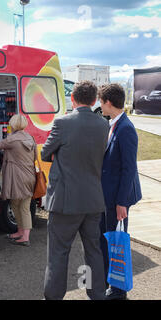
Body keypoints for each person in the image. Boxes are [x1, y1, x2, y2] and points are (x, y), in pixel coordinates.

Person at [41, 81, 109, 300]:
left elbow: (44, 153)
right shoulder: (103, 124)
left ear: (73, 99)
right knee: (93, 252)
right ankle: (96, 293)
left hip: (64, 201)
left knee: (58, 254)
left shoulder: (63, 122)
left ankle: (54, 297)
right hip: (93, 200)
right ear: (94, 101)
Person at [98, 83, 142, 300]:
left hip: (117, 199)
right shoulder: (113, 124)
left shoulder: (125, 128)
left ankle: (118, 291)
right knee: (107, 240)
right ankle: (110, 283)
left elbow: (129, 168)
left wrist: (122, 203)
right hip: (107, 197)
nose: (99, 105)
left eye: (100, 101)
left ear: (108, 102)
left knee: (116, 243)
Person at [0, 114, 36, 246]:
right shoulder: (30, 138)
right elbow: (35, 157)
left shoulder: (12, 139)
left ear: (13, 125)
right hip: (29, 176)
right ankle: (20, 232)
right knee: (17, 204)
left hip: (17, 177)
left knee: (22, 207)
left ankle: (25, 237)